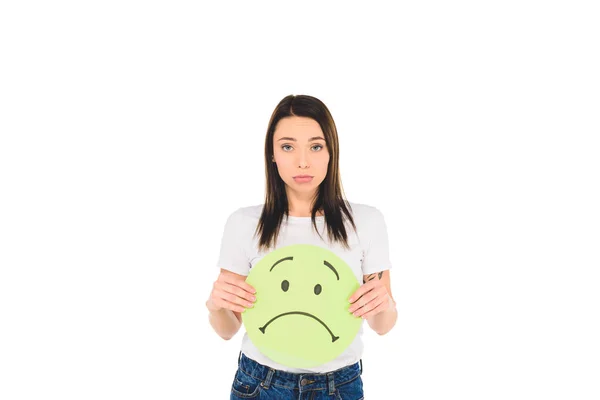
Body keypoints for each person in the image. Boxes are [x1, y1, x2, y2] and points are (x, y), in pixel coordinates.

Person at [207, 94, 397, 399]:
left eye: (315, 146)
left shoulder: (366, 221)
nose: (303, 161)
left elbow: (383, 325)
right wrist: (215, 304)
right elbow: (228, 329)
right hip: (260, 384)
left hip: (339, 386)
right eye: (287, 146)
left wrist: (384, 303)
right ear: (272, 154)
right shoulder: (244, 223)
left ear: (331, 151)